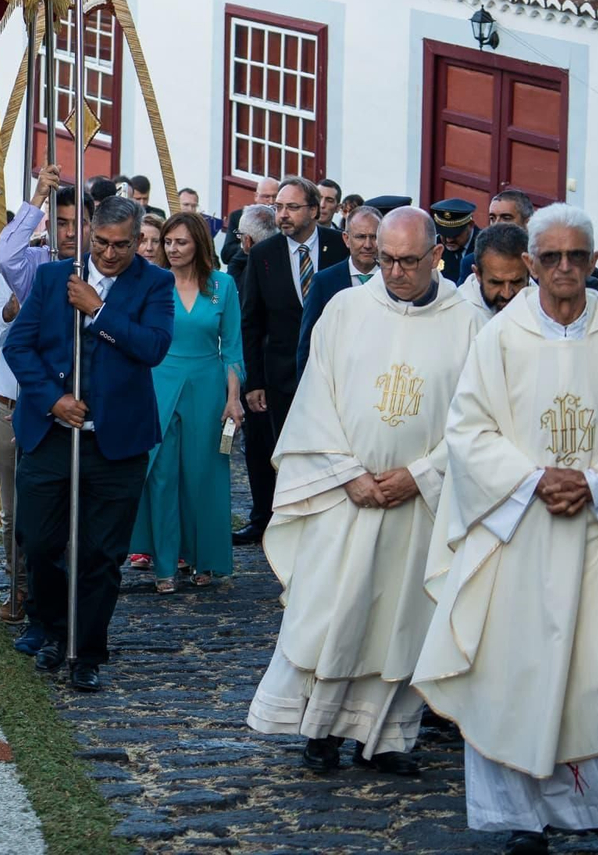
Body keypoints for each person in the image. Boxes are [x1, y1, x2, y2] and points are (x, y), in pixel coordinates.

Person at [413, 204, 598, 853]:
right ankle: (520, 817)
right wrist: (533, 479)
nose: (565, 268)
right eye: (551, 257)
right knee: (512, 672)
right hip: (517, 531)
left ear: (594, 261)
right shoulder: (500, 338)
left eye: (577, 256)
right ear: (530, 263)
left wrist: (596, 481)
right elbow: (468, 431)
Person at [246, 207, 484, 775]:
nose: (395, 272)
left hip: (419, 503)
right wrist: (347, 472)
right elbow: (316, 397)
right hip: (344, 496)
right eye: (386, 260)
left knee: (402, 622)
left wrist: (421, 475)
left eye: (408, 261)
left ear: (437, 256)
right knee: (335, 613)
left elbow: (478, 420)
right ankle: (322, 731)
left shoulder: (469, 324)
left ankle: (388, 738)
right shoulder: (346, 310)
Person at [4, 195, 172, 691]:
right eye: (101, 243)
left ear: (137, 240)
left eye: (121, 245)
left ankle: (87, 651)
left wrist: (98, 311)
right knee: (40, 541)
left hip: (117, 442)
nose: (110, 253)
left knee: (102, 553)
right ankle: (54, 630)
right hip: (52, 435)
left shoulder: (155, 283)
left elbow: (153, 347)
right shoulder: (54, 277)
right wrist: (53, 400)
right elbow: (19, 346)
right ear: (90, 233)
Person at [0, 173, 83, 621]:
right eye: (61, 223)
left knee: (64, 505)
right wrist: (38, 196)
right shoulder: (25, 266)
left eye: (78, 223)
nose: (70, 233)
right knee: (15, 507)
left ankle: (60, 590)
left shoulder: (95, 272)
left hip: (66, 407)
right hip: (13, 403)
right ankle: (18, 585)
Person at [128, 211, 244, 591]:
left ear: (199, 245)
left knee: (203, 476)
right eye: (168, 242)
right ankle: (164, 566)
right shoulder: (151, 283)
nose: (172, 248)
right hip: (158, 383)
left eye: (181, 242)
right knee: (160, 475)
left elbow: (233, 349)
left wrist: (233, 399)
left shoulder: (223, 286)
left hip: (208, 389)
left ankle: (202, 558)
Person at [236, 177, 351, 544]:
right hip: (280, 374)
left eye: (292, 207)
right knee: (277, 450)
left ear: (314, 210)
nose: (282, 215)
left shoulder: (340, 246)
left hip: (336, 371)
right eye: (279, 208)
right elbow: (251, 321)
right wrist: (254, 381)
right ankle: (270, 520)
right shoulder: (263, 254)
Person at [295, 204, 383, 381]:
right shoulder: (324, 282)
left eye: (374, 237)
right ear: (346, 239)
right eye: (360, 237)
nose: (368, 245)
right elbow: (308, 343)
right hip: (337, 381)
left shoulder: (393, 280)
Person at [460, 223, 531, 315]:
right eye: (496, 283)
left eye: (516, 282)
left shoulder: (543, 308)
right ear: (478, 274)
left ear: (530, 271)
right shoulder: (457, 314)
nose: (506, 294)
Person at [433, 197, 480, 284]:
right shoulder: (433, 246)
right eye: (444, 234)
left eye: (455, 235)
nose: (449, 240)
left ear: (470, 225)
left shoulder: (484, 247)